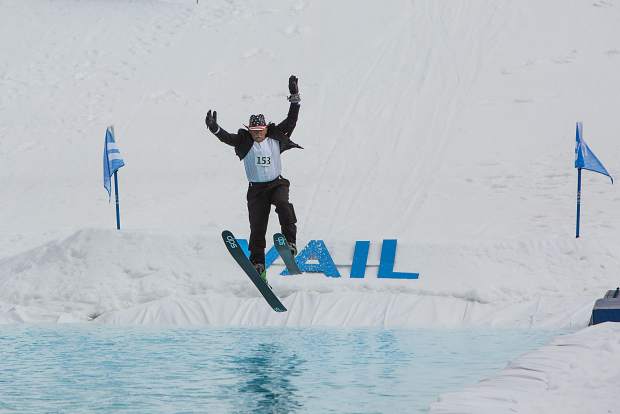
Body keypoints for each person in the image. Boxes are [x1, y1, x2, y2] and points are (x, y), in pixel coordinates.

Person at [205, 75, 302, 281]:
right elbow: (227, 137)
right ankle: (258, 263)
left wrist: (294, 96)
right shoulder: (244, 142)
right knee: (257, 227)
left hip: (277, 184)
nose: (257, 134)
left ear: (266, 128)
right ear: (250, 130)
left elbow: (291, 120)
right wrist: (215, 128)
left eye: (260, 130)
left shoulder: (275, 137)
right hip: (256, 190)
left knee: (283, 205)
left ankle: (290, 243)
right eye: (254, 131)